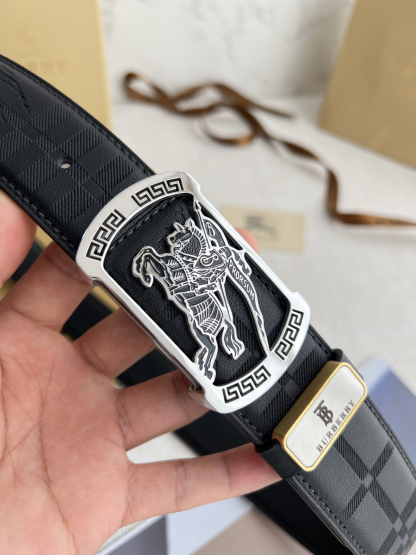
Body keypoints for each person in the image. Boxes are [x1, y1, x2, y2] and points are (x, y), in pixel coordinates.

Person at [0, 191, 279, 554]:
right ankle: (217, 349)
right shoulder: (175, 260)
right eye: (178, 242)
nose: (177, 244)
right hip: (184, 307)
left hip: (202, 310)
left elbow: (210, 278)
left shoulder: (200, 264)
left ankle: (221, 346)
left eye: (183, 242)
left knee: (209, 341)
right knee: (202, 342)